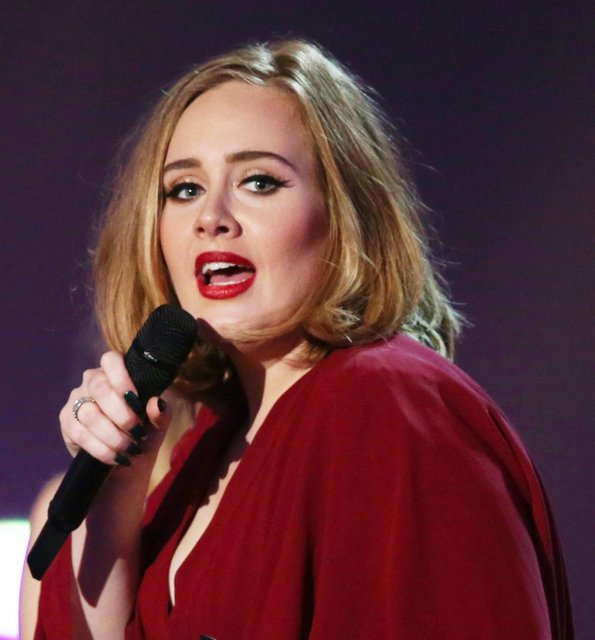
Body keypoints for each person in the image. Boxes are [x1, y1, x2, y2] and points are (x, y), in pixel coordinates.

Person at [21, 39, 573, 639]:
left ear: (345, 215)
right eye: (184, 189)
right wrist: (116, 489)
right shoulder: (207, 445)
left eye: (259, 181)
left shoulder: (386, 402)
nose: (211, 217)